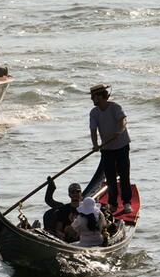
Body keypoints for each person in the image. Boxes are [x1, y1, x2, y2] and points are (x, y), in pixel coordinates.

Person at [89, 84, 132, 215]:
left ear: (101, 96)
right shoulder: (94, 112)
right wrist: (95, 145)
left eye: (93, 97)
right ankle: (113, 204)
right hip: (107, 148)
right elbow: (93, 129)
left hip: (122, 146)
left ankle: (126, 203)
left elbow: (123, 120)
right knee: (110, 177)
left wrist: (119, 131)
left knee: (124, 175)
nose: (92, 99)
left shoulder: (115, 107)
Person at [43, 177, 82, 241]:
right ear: (69, 194)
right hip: (67, 237)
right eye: (73, 192)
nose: (75, 194)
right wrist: (59, 233)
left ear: (81, 193)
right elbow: (59, 228)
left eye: (77, 191)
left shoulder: (86, 208)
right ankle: (51, 187)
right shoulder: (64, 209)